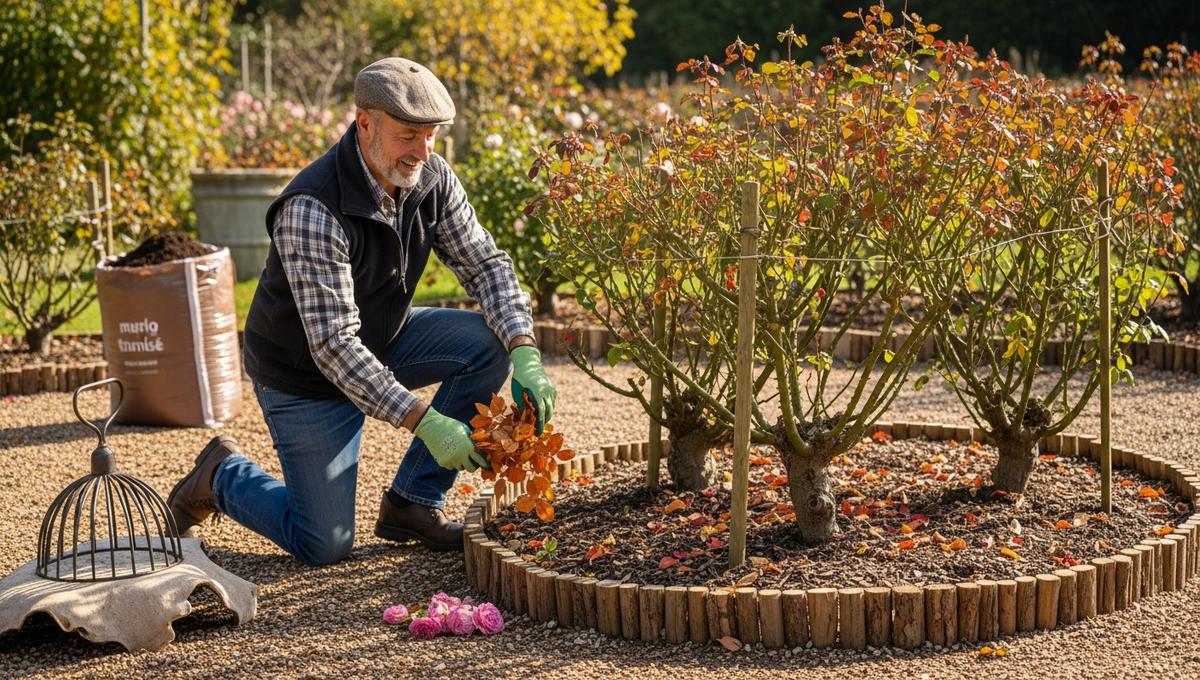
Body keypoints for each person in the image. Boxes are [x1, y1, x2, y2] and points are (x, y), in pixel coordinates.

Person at [166, 57, 557, 566]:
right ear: (365, 122)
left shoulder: (432, 178)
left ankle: (412, 503)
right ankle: (220, 476)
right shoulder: (312, 207)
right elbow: (334, 345)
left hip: (382, 337)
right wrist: (426, 422)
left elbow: (485, 265)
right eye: (408, 136)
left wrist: (525, 350)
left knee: (488, 344)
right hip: (305, 376)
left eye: (431, 136)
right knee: (324, 543)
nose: (422, 152)